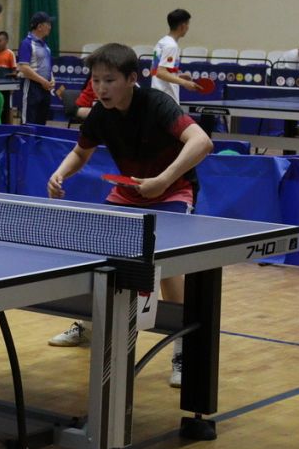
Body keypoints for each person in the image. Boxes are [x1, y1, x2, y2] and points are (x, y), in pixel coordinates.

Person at [46, 43, 213, 388]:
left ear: (131, 78)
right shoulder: (100, 114)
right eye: (96, 80)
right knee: (99, 256)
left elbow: (202, 142)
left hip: (172, 190)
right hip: (129, 191)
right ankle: (88, 323)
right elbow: (81, 152)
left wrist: (162, 180)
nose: (101, 88)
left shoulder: (157, 104)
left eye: (109, 80)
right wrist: (60, 173)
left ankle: (183, 349)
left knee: (165, 262)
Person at [151, 8, 200, 103]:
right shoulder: (171, 46)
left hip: (157, 97)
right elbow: (160, 73)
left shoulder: (161, 42)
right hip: (166, 98)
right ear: (183, 26)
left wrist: (178, 76)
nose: (188, 28)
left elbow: (154, 71)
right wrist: (185, 83)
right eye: (188, 24)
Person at [17, 12, 56, 125]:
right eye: (48, 24)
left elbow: (47, 65)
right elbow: (24, 68)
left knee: (41, 123)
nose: (50, 27)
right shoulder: (26, 43)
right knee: (29, 122)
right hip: (31, 87)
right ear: (39, 27)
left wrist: (52, 79)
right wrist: (43, 81)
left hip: (45, 88)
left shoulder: (46, 46)